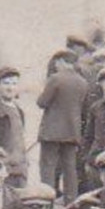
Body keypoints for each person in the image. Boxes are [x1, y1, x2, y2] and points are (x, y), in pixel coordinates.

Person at [37, 50, 90, 199]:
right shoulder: (83, 82)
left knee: (48, 167)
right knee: (70, 168)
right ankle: (71, 201)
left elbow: (41, 102)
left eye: (57, 62)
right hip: (72, 132)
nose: (55, 65)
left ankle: (46, 200)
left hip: (51, 132)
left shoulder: (55, 79)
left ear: (63, 62)